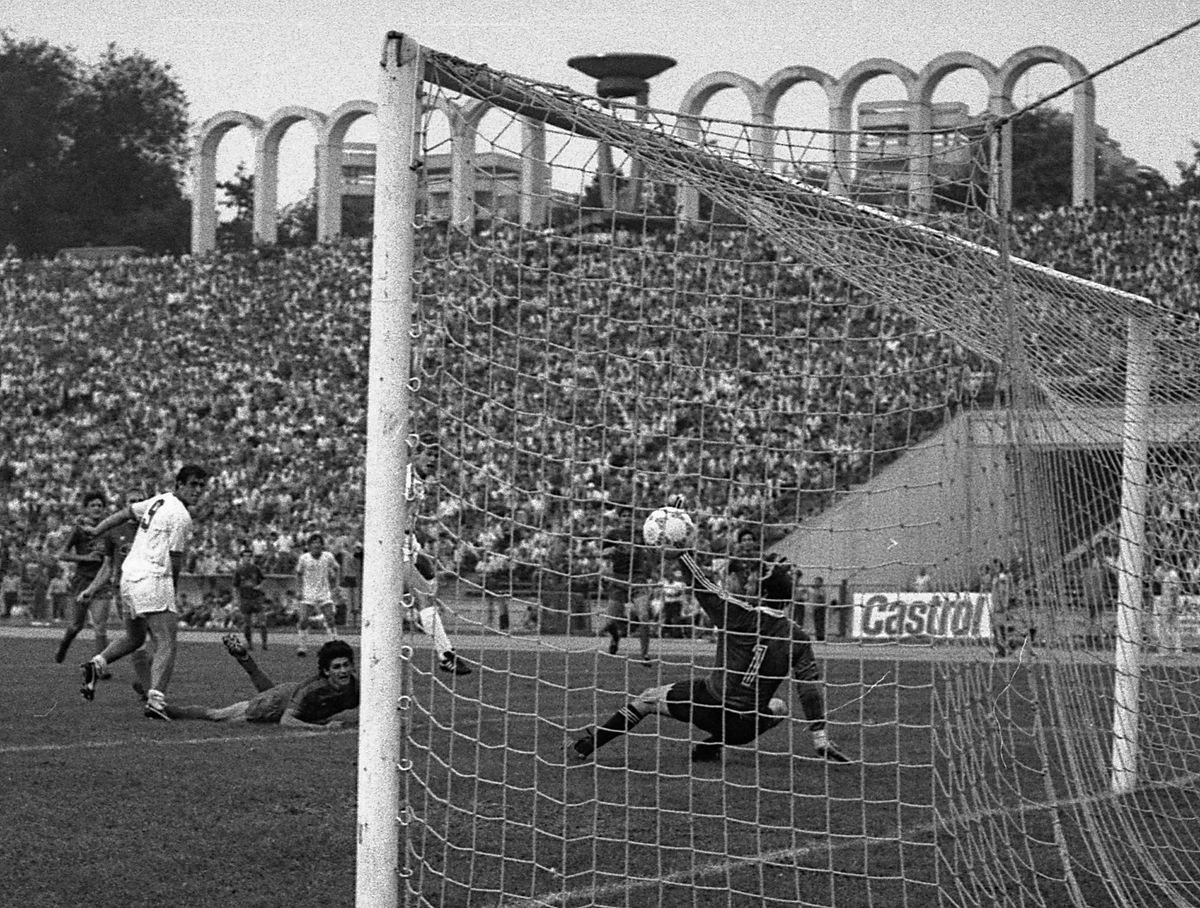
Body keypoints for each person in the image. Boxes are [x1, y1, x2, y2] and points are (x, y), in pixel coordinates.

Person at [571, 506, 849, 766]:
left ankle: (589, 744)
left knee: (646, 699)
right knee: (779, 707)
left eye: (756, 581)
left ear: (763, 593)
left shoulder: (739, 614)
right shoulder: (798, 637)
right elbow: (809, 690)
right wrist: (819, 737)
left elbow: (702, 585)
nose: (751, 582)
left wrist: (682, 552)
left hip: (709, 704)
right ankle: (712, 746)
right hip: (744, 726)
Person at [79, 464, 211, 720]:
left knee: (135, 638)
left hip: (129, 576)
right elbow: (175, 559)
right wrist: (170, 591)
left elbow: (126, 513)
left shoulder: (159, 500)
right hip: (152, 578)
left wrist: (97, 530)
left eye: (201, 486)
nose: (197, 490)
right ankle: (156, 701)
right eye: (193, 484)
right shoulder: (181, 516)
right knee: (167, 640)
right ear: (179, 485)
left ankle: (96, 665)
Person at [163, 636, 358, 726]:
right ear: (326, 671)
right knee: (218, 716)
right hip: (277, 704)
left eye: (346, 665)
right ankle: (165, 709)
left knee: (269, 694)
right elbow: (287, 720)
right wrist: (323, 728)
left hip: (285, 696)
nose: (343, 671)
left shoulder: (357, 688)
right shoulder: (313, 689)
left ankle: (243, 657)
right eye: (337, 667)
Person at [401, 443, 471, 675]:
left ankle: (414, 611)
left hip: (409, 540)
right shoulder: (406, 480)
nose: (432, 459)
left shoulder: (420, 481)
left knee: (429, 573)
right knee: (425, 597)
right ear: (415, 454)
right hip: (395, 542)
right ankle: (446, 655)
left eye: (436, 456)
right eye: (428, 454)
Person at [54, 491, 118, 666]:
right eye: (93, 505)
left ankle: (98, 666)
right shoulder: (79, 530)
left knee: (100, 626)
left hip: (102, 581)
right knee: (76, 626)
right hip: (81, 580)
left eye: (100, 505)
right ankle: (64, 645)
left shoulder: (110, 530)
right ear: (86, 509)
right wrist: (86, 558)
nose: (97, 508)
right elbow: (61, 554)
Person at [599, 518, 654, 663]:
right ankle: (616, 637)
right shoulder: (613, 534)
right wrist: (608, 553)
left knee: (644, 617)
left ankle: (644, 654)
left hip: (637, 578)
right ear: (620, 518)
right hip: (618, 580)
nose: (628, 519)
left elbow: (651, 550)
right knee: (609, 622)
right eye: (624, 515)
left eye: (631, 515)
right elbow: (602, 552)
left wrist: (649, 570)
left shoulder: (641, 534)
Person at [294, 533, 340, 657]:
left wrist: (336, 585)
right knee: (303, 619)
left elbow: (336, 568)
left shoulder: (328, 556)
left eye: (318, 542)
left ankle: (334, 644)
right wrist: (299, 590)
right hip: (308, 593)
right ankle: (302, 647)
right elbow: (298, 573)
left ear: (322, 545)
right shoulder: (304, 558)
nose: (316, 545)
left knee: (330, 618)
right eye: (314, 543)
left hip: (324, 592)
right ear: (309, 546)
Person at [233, 547, 268, 650]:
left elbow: (264, 580)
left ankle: (264, 643)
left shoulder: (256, 569)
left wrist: (260, 586)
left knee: (262, 622)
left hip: (256, 598)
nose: (247, 558)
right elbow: (235, 586)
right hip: (245, 599)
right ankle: (250, 643)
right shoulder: (239, 571)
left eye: (249, 556)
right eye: (245, 556)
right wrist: (236, 599)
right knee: (247, 624)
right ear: (242, 558)